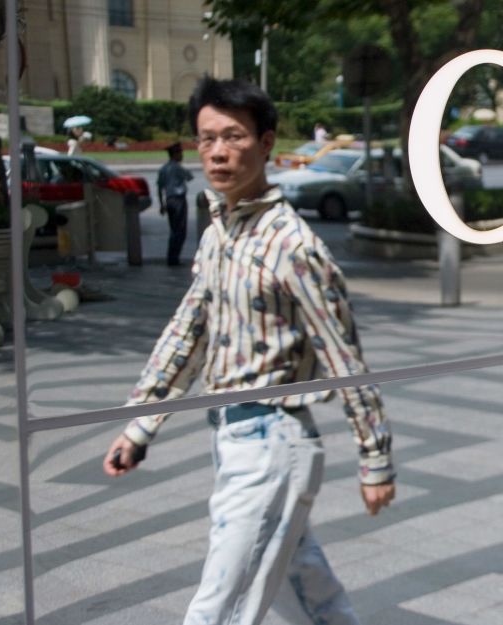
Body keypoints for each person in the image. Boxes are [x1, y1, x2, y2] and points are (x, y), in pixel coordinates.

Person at [102, 76, 395, 625]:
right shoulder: (219, 235)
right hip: (234, 439)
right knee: (315, 601)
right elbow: (187, 333)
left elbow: (343, 356)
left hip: (272, 446)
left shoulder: (293, 245)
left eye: (233, 137)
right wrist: (139, 427)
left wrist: (375, 458)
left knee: (218, 611)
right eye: (207, 138)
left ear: (265, 144)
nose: (217, 152)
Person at [157, 142, 194, 266]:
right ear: (175, 154)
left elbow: (159, 187)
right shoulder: (178, 168)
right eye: (180, 153)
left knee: (173, 229)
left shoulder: (164, 168)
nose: (182, 155)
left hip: (169, 199)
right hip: (179, 199)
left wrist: (161, 204)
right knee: (180, 230)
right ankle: (174, 258)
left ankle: (171, 257)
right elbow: (190, 177)